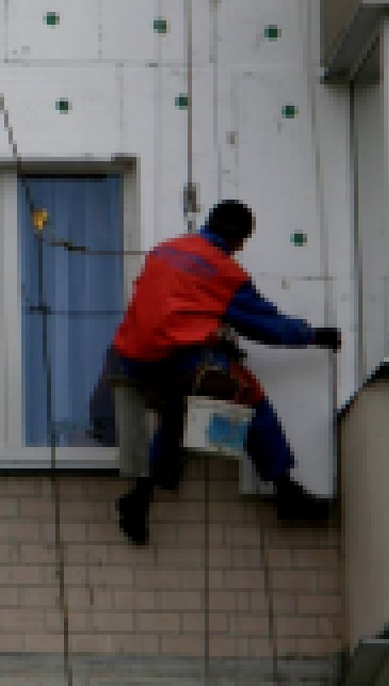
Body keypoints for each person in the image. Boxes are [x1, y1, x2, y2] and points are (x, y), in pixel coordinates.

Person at [108, 199, 342, 545]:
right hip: (178, 360)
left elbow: (162, 303)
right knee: (250, 399)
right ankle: (286, 491)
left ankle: (139, 500)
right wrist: (315, 335)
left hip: (134, 360)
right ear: (241, 240)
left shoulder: (163, 251)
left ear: (208, 222)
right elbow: (267, 327)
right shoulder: (226, 272)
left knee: (176, 416)